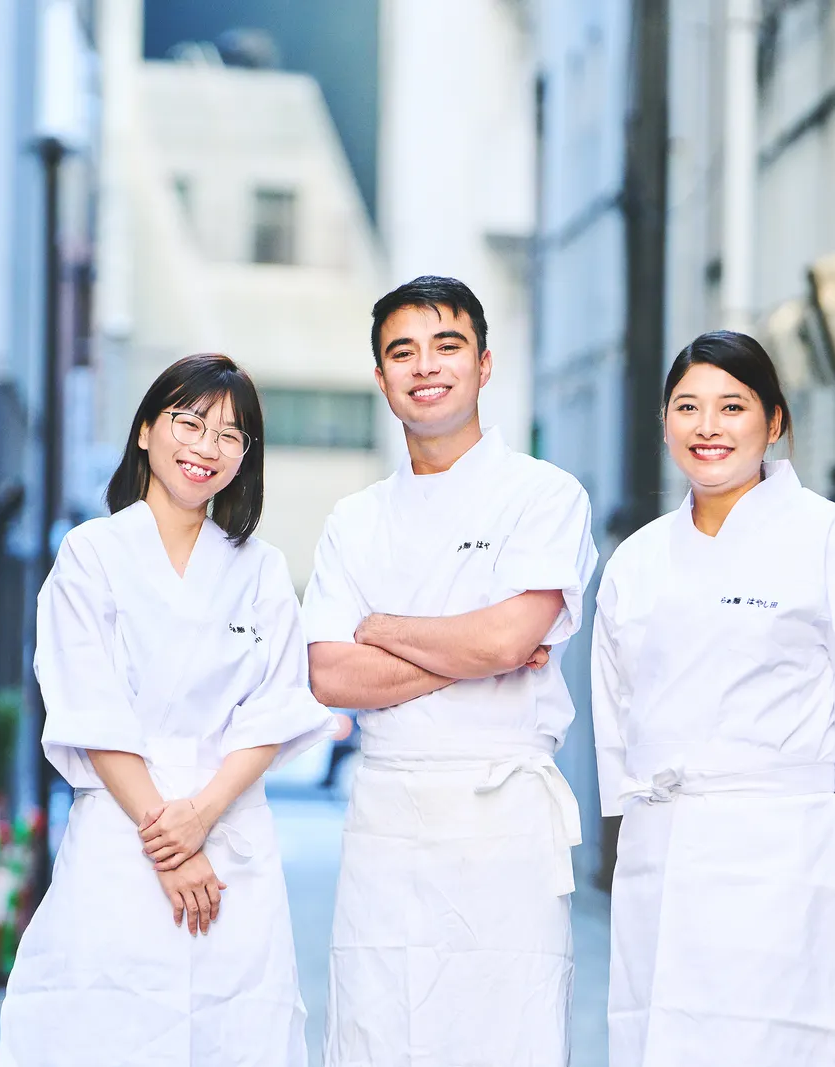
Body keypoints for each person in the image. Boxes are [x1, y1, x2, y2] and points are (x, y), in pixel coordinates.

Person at [0, 353, 346, 1067]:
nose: (205, 447)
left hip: (230, 836)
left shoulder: (260, 568)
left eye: (230, 434)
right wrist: (169, 837)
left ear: (246, 457)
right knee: (105, 1030)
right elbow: (92, 709)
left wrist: (202, 815)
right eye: (188, 422)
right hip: (122, 835)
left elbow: (275, 708)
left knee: (237, 1031)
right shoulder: (92, 555)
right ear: (146, 432)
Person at [591, 330, 835, 1067]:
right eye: (688, 407)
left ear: (774, 423)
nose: (708, 427)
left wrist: (827, 812)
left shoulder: (832, 540)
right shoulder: (638, 559)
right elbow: (616, 701)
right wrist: (634, 815)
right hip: (664, 844)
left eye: (732, 406)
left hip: (778, 847)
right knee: (655, 1034)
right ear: (665, 421)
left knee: (765, 1040)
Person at [303, 276, 598, 1066]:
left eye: (447, 346)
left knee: (507, 1035)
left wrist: (387, 630)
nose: (425, 367)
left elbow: (508, 641)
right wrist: (476, 647)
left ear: (485, 363)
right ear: (380, 377)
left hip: (501, 821)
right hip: (388, 821)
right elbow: (331, 673)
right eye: (403, 351)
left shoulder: (543, 494)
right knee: (377, 1030)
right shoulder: (355, 519)